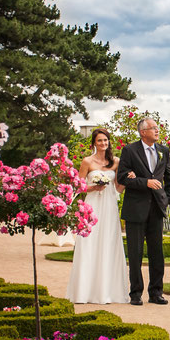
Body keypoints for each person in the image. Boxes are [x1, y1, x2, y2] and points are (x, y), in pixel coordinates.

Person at [66, 128, 132, 304]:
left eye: (106, 140)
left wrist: (128, 180)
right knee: (89, 243)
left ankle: (108, 292)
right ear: (94, 143)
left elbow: (117, 187)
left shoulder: (116, 162)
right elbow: (78, 187)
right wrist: (93, 187)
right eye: (100, 140)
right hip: (92, 205)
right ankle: (84, 292)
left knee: (109, 243)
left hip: (109, 206)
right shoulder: (87, 161)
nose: (103, 143)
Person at [117, 116, 170, 305]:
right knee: (135, 253)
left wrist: (165, 200)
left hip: (157, 210)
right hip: (135, 209)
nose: (157, 130)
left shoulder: (163, 151)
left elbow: (169, 180)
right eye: (153, 128)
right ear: (143, 132)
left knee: (157, 253)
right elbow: (123, 177)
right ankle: (135, 294)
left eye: (157, 127)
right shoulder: (129, 150)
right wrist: (145, 182)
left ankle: (156, 293)